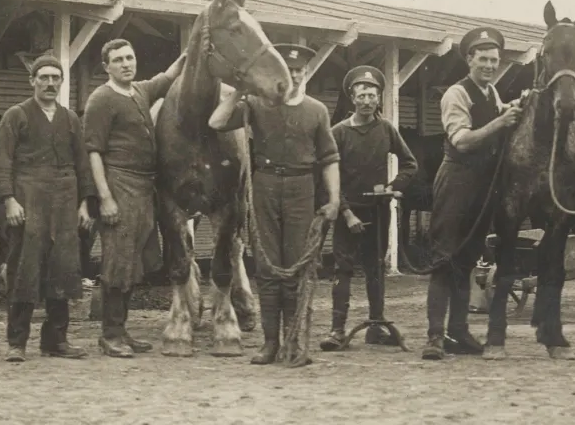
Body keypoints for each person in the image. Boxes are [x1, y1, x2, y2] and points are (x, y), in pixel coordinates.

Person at [208, 43, 340, 366]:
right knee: (267, 268)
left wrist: (335, 199)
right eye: (289, 70)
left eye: (299, 71)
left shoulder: (317, 111)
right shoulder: (256, 104)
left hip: (301, 187)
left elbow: (329, 159)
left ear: (306, 74)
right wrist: (239, 90)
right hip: (265, 184)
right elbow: (217, 122)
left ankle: (294, 342)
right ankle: (270, 343)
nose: (294, 76)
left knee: (295, 266)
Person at [422, 27, 524, 361]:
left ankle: (458, 331)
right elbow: (462, 139)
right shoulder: (456, 94)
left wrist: (512, 107)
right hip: (457, 182)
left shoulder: (490, 92)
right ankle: (435, 337)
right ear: (469, 59)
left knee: (466, 261)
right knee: (444, 260)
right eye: (483, 59)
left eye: (494, 60)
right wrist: (502, 121)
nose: (490, 65)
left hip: (482, 186)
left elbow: (495, 114)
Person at [83, 39, 185, 358]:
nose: (126, 63)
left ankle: (122, 329)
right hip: (118, 182)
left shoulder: (140, 90)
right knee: (117, 260)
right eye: (118, 60)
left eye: (130, 57)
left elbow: (168, 77)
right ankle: (110, 334)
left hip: (144, 187)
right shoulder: (101, 98)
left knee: (134, 261)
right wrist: (105, 197)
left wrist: (192, 49)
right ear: (107, 66)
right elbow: (94, 153)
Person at [0, 53, 96, 362]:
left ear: (61, 82)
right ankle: (17, 342)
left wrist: (84, 204)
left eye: (55, 78)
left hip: (65, 201)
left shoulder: (70, 119)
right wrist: (9, 200)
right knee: (25, 267)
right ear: (32, 81)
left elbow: (82, 164)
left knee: (63, 269)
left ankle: (56, 341)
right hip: (28, 199)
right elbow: (2, 161)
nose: (50, 83)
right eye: (44, 78)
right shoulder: (16, 115)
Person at [319, 65, 418, 351]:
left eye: (372, 95)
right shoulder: (338, 133)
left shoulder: (386, 129)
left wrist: (394, 186)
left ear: (379, 98)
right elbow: (327, 178)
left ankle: (376, 327)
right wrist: (347, 213)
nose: (367, 101)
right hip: (347, 212)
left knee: (375, 268)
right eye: (361, 95)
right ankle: (337, 330)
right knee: (344, 268)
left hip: (378, 210)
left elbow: (410, 163)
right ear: (352, 97)